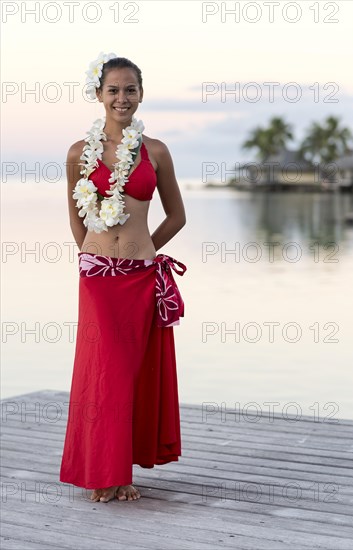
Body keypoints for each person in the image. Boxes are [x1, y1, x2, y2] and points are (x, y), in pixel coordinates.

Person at [59, 53, 187, 504]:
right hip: (97, 276)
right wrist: (91, 256)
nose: (121, 97)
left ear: (140, 94)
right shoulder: (79, 152)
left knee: (131, 373)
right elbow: (77, 219)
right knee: (103, 374)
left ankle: (122, 472)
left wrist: (145, 249)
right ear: (98, 94)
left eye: (129, 89)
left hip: (139, 276)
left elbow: (177, 216)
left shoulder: (155, 151)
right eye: (113, 89)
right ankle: (103, 473)